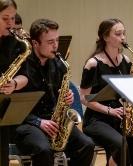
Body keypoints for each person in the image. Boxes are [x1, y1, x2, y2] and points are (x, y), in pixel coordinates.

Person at [15, 18, 95, 166]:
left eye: (57, 40)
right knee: (43, 150)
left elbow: (59, 95)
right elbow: (14, 107)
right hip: (27, 123)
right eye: (50, 42)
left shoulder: (58, 64)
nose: (56, 46)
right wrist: (39, 122)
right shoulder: (22, 66)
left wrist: (67, 98)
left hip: (54, 120)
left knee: (87, 145)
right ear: (35, 43)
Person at [80, 18, 133, 166]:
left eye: (124, 33)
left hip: (120, 117)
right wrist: (109, 110)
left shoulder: (125, 60)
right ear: (105, 37)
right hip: (97, 119)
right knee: (121, 144)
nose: (123, 38)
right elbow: (83, 98)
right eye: (118, 34)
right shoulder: (93, 64)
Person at [0, 0, 29, 165]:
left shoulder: (15, 41)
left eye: (12, 18)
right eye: (5, 18)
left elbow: (25, 75)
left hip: (3, 107)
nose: (11, 23)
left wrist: (15, 83)